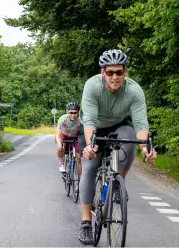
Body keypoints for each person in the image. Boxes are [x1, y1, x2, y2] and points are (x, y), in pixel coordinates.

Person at [77, 49, 157, 245]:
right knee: (89, 168)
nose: (114, 77)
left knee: (129, 141)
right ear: (102, 72)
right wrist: (90, 146)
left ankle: (118, 183)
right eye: (110, 72)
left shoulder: (134, 90)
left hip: (119, 124)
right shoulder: (92, 86)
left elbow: (140, 123)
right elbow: (89, 121)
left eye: (119, 72)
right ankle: (86, 222)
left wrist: (146, 149)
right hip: (94, 127)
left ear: (125, 72)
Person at [55, 102, 82, 175]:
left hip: (75, 136)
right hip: (64, 135)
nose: (73, 115)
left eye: (75, 113)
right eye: (71, 113)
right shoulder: (63, 119)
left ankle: (79, 179)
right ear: (67, 112)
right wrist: (60, 145)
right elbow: (57, 134)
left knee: (79, 157)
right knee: (60, 148)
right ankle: (61, 163)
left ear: (78, 112)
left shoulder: (81, 119)